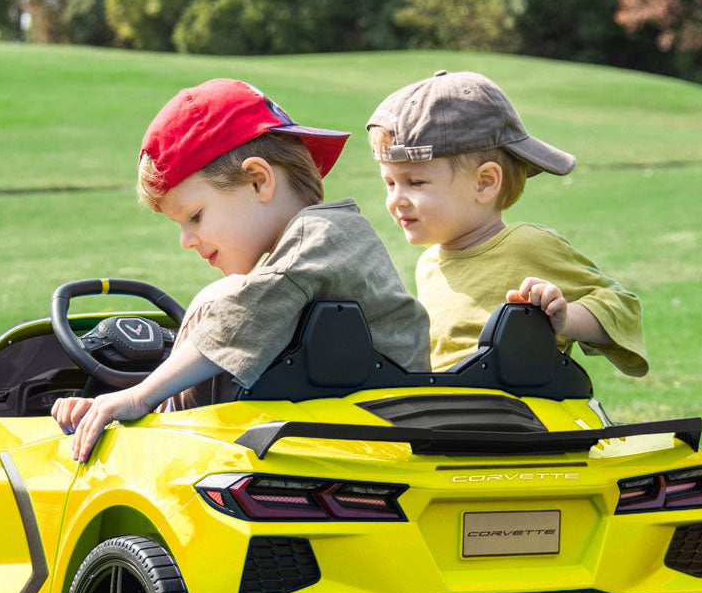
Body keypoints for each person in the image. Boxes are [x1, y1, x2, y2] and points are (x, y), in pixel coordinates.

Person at [54, 78, 431, 461]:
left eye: (195, 216)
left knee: (221, 300)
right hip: (362, 429)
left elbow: (242, 317)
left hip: (387, 434)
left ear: (258, 180)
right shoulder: (317, 244)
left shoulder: (319, 239)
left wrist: (139, 396)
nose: (187, 240)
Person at [366, 70, 648, 376]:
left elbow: (623, 307)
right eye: (390, 184)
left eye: (415, 182)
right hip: (440, 413)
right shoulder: (428, 264)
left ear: (485, 183)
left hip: (511, 417)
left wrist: (564, 319)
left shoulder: (527, 245)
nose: (396, 200)